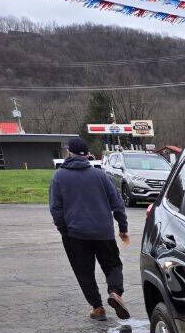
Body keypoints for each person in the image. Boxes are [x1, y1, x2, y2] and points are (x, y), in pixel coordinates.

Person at [50, 137, 130, 321]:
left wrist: (64, 230)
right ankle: (115, 292)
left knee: (84, 272)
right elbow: (117, 203)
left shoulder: (59, 176)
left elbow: (56, 208)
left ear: (69, 153)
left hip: (75, 234)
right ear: (87, 155)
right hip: (103, 232)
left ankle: (97, 307)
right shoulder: (100, 175)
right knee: (113, 265)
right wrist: (122, 227)